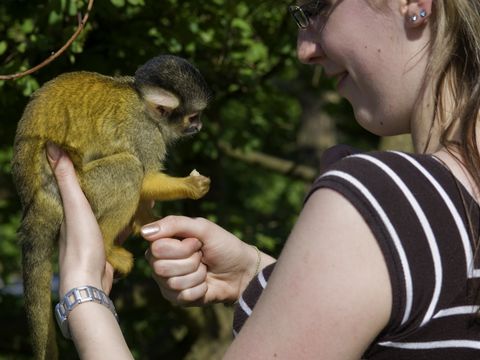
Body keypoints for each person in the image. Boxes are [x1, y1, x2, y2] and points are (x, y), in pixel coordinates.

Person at [46, 0, 480, 358]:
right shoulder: (452, 210)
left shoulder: (387, 199)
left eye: (316, 9)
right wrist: (264, 276)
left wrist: (83, 296)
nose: (305, 49)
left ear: (415, 5)